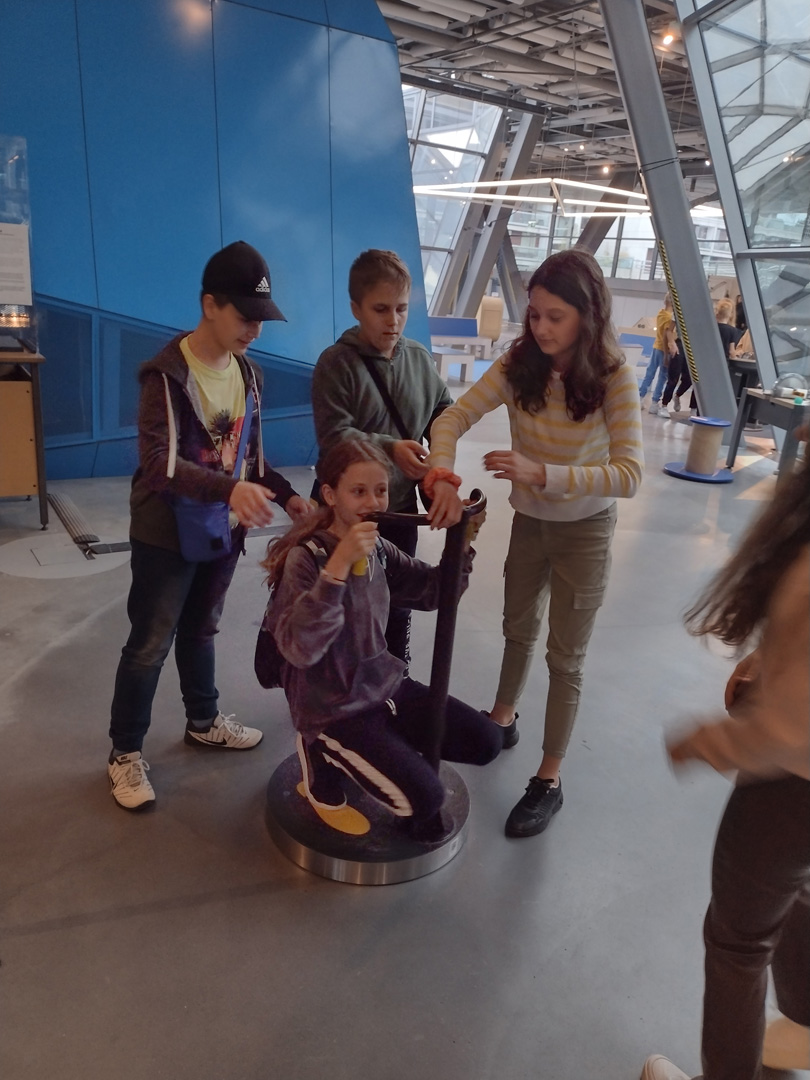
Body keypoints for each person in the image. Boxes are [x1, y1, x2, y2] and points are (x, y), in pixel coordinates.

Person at [426, 248, 644, 838]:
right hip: (530, 523)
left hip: (585, 531)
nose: (542, 328)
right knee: (516, 627)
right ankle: (503, 717)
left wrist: (542, 472)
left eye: (556, 317)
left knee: (565, 656)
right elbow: (450, 419)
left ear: (587, 317)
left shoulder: (614, 377)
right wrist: (442, 475)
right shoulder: (518, 363)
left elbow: (629, 474)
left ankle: (549, 777)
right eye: (535, 315)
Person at [107, 241, 312, 811]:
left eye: (261, 318)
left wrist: (289, 497)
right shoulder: (166, 375)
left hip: (222, 529)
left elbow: (248, 460)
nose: (255, 329)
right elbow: (159, 464)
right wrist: (231, 490)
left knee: (202, 628)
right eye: (245, 316)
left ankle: (203, 720)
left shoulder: (250, 375)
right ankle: (124, 754)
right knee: (150, 643)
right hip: (165, 532)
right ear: (209, 305)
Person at [642, 431, 810, 1080]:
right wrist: (774, 658)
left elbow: (790, 731)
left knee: (738, 943)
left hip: (791, 790)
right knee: (799, 892)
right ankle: (803, 1028)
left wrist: (706, 741)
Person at [261, 438, 501, 833]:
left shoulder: (380, 551)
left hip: (384, 686)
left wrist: (464, 544)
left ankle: (382, 749)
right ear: (330, 495)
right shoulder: (307, 557)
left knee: (486, 742)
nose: (372, 502)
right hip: (331, 707)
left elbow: (433, 593)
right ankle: (319, 749)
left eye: (381, 490)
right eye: (358, 491)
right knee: (424, 800)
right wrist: (337, 568)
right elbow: (300, 648)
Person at [310, 249, 452, 668]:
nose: (393, 320)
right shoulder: (335, 364)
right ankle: (337, 687)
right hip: (344, 516)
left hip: (399, 511)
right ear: (356, 308)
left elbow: (444, 413)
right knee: (342, 605)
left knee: (397, 602)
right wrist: (390, 447)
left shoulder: (420, 359)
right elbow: (334, 436)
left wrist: (440, 466)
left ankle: (395, 676)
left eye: (402, 309)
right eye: (380, 309)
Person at [640, 293, 676, 414]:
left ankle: (640, 397)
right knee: (662, 377)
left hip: (656, 346)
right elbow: (666, 336)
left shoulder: (661, 313)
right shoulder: (669, 318)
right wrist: (666, 354)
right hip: (663, 349)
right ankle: (655, 402)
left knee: (649, 373)